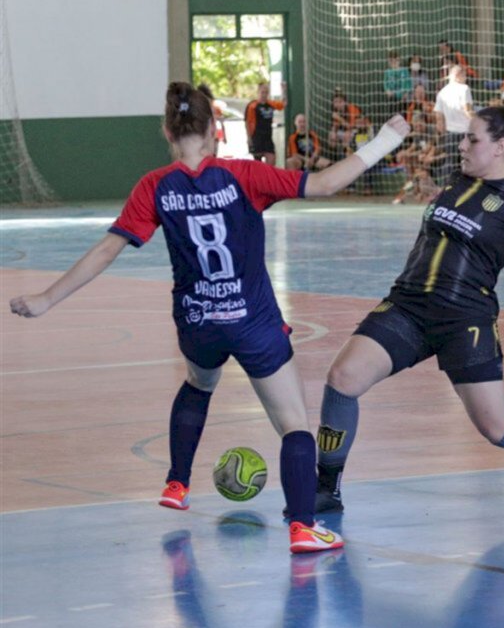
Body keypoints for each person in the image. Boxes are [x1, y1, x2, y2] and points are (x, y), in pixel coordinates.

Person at [8, 82, 411, 553]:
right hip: (253, 322)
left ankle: (176, 484)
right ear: (215, 130)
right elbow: (323, 183)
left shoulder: (154, 186)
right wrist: (385, 140)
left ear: (166, 131)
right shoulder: (243, 175)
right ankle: (303, 527)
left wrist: (46, 299)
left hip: (197, 322)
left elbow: (107, 249)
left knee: (200, 383)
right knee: (294, 425)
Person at [306, 104, 504, 515]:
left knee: (497, 428)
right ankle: (327, 489)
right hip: (408, 306)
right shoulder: (457, 182)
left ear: (499, 147)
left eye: (472, 139)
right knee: (343, 376)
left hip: (465, 321)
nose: (463, 145)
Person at [435, 65, 475, 177]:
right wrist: (479, 122)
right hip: (465, 133)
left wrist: (442, 134)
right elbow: (467, 110)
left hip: (450, 135)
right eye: (465, 74)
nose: (466, 77)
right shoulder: (464, 88)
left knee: (451, 164)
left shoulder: (442, 92)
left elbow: (439, 118)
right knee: (469, 163)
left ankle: (447, 190)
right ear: (458, 75)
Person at [245, 81, 287, 165]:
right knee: (258, 164)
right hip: (257, 137)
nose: (264, 94)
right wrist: (249, 138)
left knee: (271, 160)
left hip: (267, 137)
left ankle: (268, 177)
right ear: (258, 92)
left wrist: (284, 90)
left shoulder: (270, 103)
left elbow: (283, 104)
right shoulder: (253, 105)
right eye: (262, 92)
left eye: (266, 92)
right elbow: (247, 123)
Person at [383, 50, 413, 115]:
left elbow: (409, 83)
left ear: (398, 60)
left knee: (403, 116)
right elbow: (385, 84)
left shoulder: (404, 70)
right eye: (391, 61)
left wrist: (406, 93)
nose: (393, 62)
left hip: (403, 99)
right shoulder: (387, 72)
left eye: (395, 60)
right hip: (392, 99)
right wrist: (387, 91)